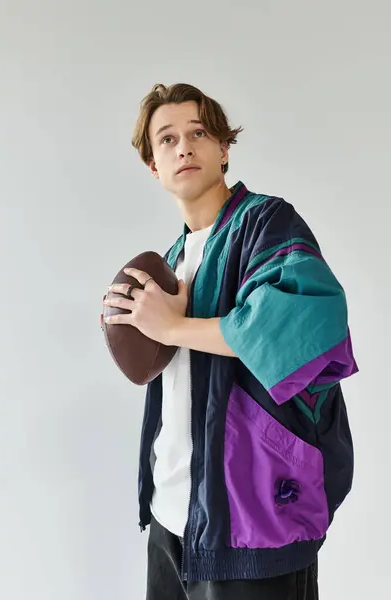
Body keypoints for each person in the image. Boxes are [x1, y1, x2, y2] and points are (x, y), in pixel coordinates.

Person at [103, 83, 358, 599]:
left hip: (252, 519)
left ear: (223, 148)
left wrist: (171, 327)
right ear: (154, 166)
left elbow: (302, 324)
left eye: (198, 132)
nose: (184, 146)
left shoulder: (265, 223)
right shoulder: (171, 261)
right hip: (172, 514)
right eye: (167, 139)